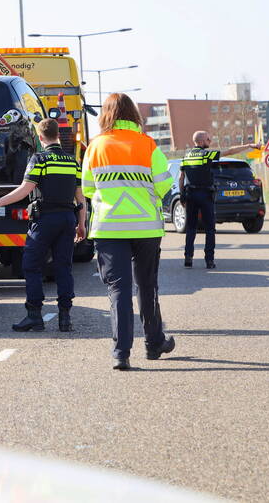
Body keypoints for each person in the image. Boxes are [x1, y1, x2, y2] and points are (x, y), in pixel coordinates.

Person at [82, 93, 175, 370]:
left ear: (106, 115)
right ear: (133, 114)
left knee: (118, 289)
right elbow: (162, 185)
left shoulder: (95, 146)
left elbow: (88, 188)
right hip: (145, 226)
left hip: (110, 227)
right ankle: (153, 343)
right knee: (147, 286)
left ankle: (121, 353)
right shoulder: (147, 144)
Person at [0, 118, 87, 333]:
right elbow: (81, 199)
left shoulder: (39, 159)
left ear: (41, 138)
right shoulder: (72, 162)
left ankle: (34, 316)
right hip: (67, 219)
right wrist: (81, 224)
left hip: (45, 220)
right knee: (64, 267)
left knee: (31, 266)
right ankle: (65, 318)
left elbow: (24, 190)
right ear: (58, 135)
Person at [179, 131, 260, 269]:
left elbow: (181, 177)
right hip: (205, 194)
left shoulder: (186, 156)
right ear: (200, 141)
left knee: (191, 228)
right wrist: (249, 145)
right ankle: (209, 260)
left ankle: (188, 258)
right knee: (210, 229)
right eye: (208, 139)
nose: (210, 141)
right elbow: (229, 151)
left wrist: (182, 195)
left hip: (190, 194)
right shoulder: (206, 154)